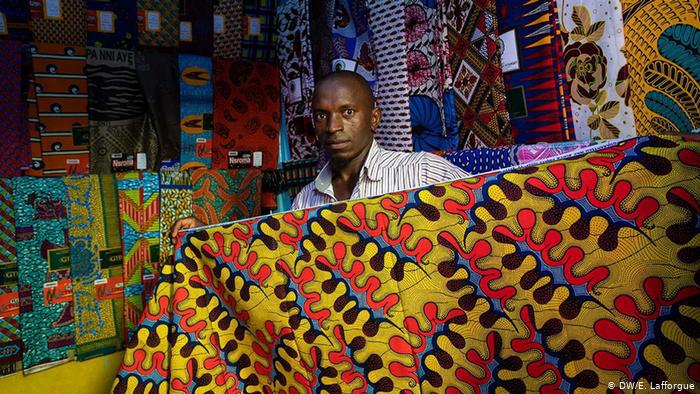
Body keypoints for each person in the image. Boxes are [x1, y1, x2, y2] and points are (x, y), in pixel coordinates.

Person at [170, 71, 469, 242]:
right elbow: (275, 257)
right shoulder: (306, 201)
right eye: (321, 116)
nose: (333, 126)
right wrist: (206, 236)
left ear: (374, 118)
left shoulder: (423, 174)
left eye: (347, 112)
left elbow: (487, 230)